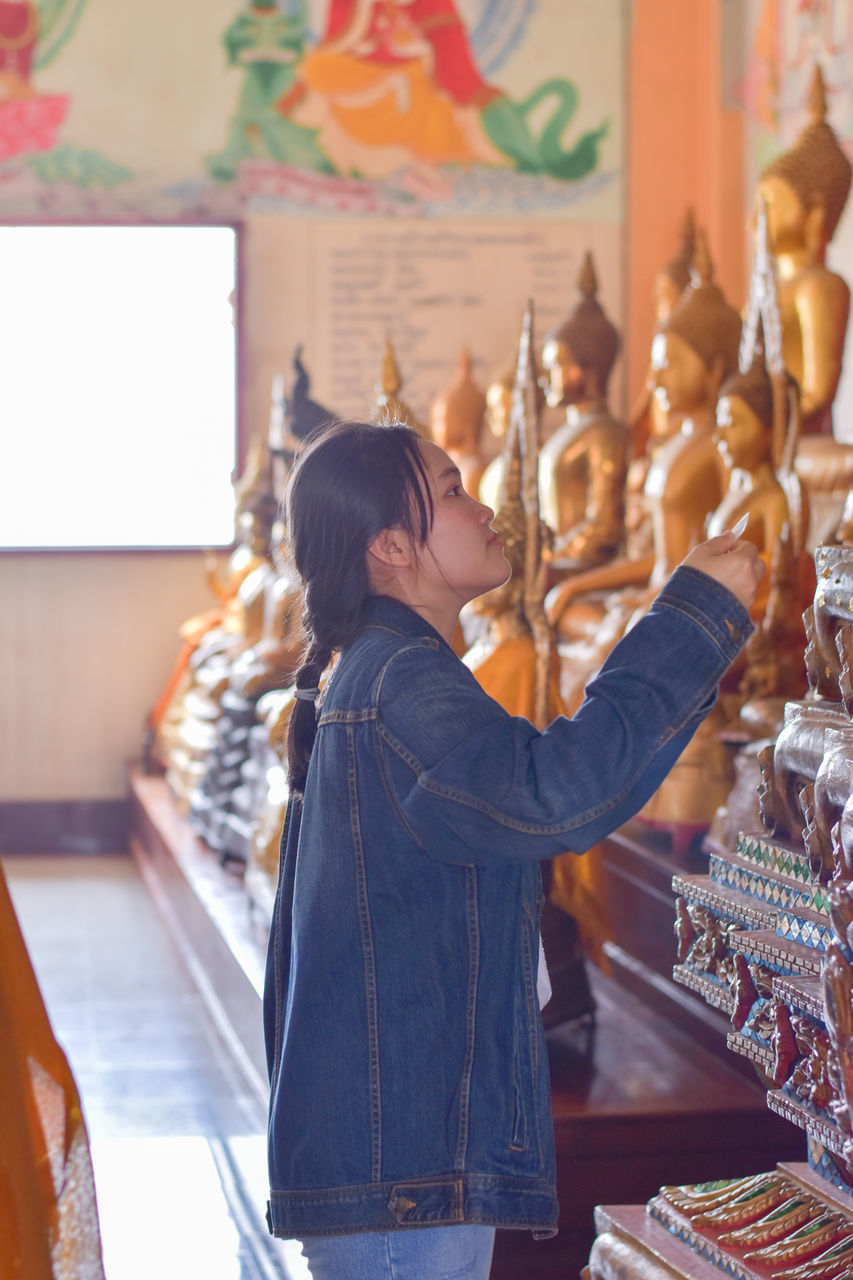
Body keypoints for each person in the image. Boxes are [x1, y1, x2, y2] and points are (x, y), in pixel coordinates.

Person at [263, 419, 762, 1279]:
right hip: (403, 1164)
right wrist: (693, 618)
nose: (486, 507)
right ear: (390, 546)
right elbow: (551, 794)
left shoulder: (383, 669)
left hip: (398, 1154)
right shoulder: (399, 681)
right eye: (453, 491)